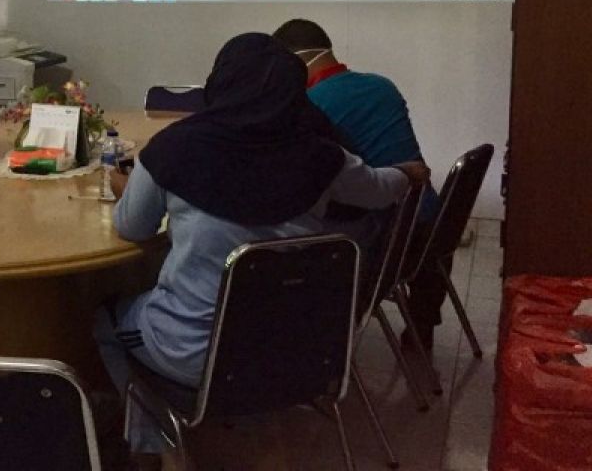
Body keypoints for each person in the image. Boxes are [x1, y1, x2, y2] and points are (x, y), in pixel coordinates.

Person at [93, 34, 427, 464]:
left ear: (218, 85)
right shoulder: (324, 158)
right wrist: (405, 172)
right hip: (303, 355)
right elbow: (381, 191)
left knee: (103, 318)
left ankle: (154, 445)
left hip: (193, 357)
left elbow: (131, 228)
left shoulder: (172, 149)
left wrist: (128, 187)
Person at [272, 18, 445, 353]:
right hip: (426, 225)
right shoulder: (382, 85)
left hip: (381, 238)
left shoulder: (312, 106)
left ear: (294, 62)